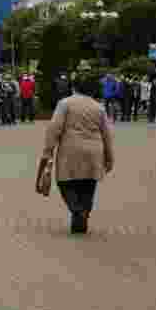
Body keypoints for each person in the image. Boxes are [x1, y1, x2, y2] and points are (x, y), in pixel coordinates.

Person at [39, 76, 115, 234]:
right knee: (88, 184)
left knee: (65, 182)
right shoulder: (98, 107)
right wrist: (109, 157)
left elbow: (54, 128)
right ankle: (83, 215)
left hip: (70, 149)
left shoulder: (65, 104)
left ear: (74, 88)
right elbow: (107, 134)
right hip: (94, 151)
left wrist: (48, 150)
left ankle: (77, 210)